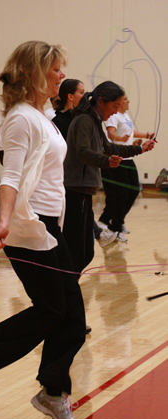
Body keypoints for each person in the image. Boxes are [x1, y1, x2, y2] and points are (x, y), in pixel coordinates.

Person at [0, 41, 86, 419]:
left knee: (72, 317)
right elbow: (9, 177)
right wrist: (4, 221)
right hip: (28, 229)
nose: (63, 75)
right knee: (54, 310)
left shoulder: (41, 115)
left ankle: (52, 392)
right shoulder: (20, 120)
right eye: (57, 68)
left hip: (48, 228)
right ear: (35, 73)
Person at [62, 81, 155, 274]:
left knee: (85, 252)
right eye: (114, 106)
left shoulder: (94, 120)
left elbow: (109, 147)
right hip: (75, 189)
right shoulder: (85, 120)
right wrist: (106, 161)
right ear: (101, 101)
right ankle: (66, 291)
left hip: (84, 190)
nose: (115, 112)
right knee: (76, 249)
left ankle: (69, 288)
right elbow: (83, 151)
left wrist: (139, 148)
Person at [52, 79, 118, 250]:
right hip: (70, 182)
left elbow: (105, 146)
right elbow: (79, 152)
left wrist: (138, 148)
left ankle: (98, 233)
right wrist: (105, 160)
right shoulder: (65, 121)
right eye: (81, 92)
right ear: (70, 96)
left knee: (84, 247)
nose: (85, 95)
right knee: (74, 241)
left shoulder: (85, 118)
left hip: (83, 183)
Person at [98, 94, 156, 241]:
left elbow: (130, 132)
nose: (128, 101)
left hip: (128, 157)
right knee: (122, 193)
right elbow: (110, 134)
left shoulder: (125, 116)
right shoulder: (114, 116)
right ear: (117, 102)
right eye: (125, 99)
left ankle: (117, 221)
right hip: (118, 158)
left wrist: (146, 135)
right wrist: (119, 138)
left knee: (134, 189)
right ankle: (115, 227)